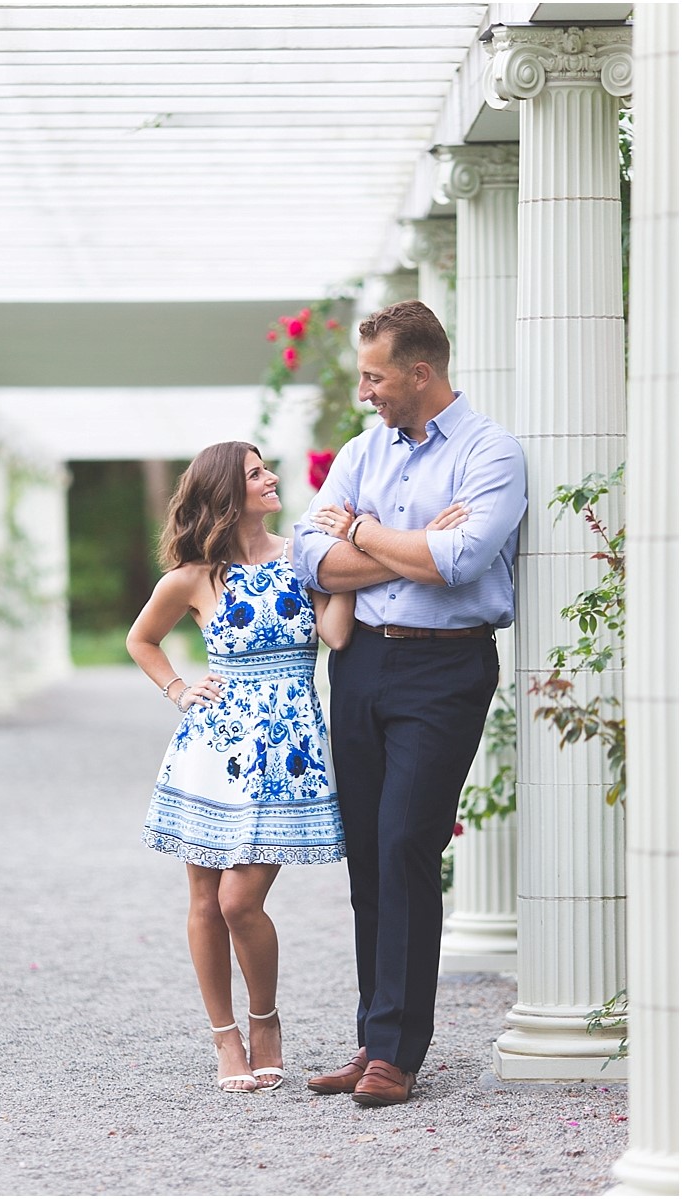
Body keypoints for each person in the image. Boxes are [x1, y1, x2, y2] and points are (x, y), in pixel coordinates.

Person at [293, 299, 526, 1106]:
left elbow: (460, 562)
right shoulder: (364, 450)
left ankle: (398, 1052)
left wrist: (360, 534)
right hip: (358, 667)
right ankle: (374, 1035)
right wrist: (406, 546)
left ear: (419, 372)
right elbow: (308, 556)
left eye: (375, 376)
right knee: (367, 852)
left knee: (404, 844)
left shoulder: (491, 453)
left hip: (444, 669)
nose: (365, 392)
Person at [127, 441, 354, 1094]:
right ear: (228, 490)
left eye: (266, 468)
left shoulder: (301, 554)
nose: (272, 476)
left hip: (286, 751)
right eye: (256, 473)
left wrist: (343, 575)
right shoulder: (194, 575)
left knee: (238, 897)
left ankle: (266, 1020)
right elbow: (140, 638)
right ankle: (225, 1036)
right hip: (212, 749)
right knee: (203, 898)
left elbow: (335, 635)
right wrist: (177, 689)